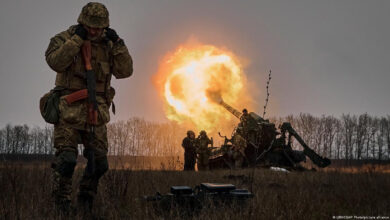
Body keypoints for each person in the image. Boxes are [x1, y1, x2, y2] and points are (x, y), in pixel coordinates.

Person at [45, 2, 133, 214]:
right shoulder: (65, 38)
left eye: (99, 28)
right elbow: (55, 62)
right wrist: (77, 40)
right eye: (91, 27)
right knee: (66, 161)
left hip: (97, 112)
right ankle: (61, 206)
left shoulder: (109, 44)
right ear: (82, 23)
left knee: (100, 163)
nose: (95, 31)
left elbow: (125, 71)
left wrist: (118, 43)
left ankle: (85, 201)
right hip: (69, 112)